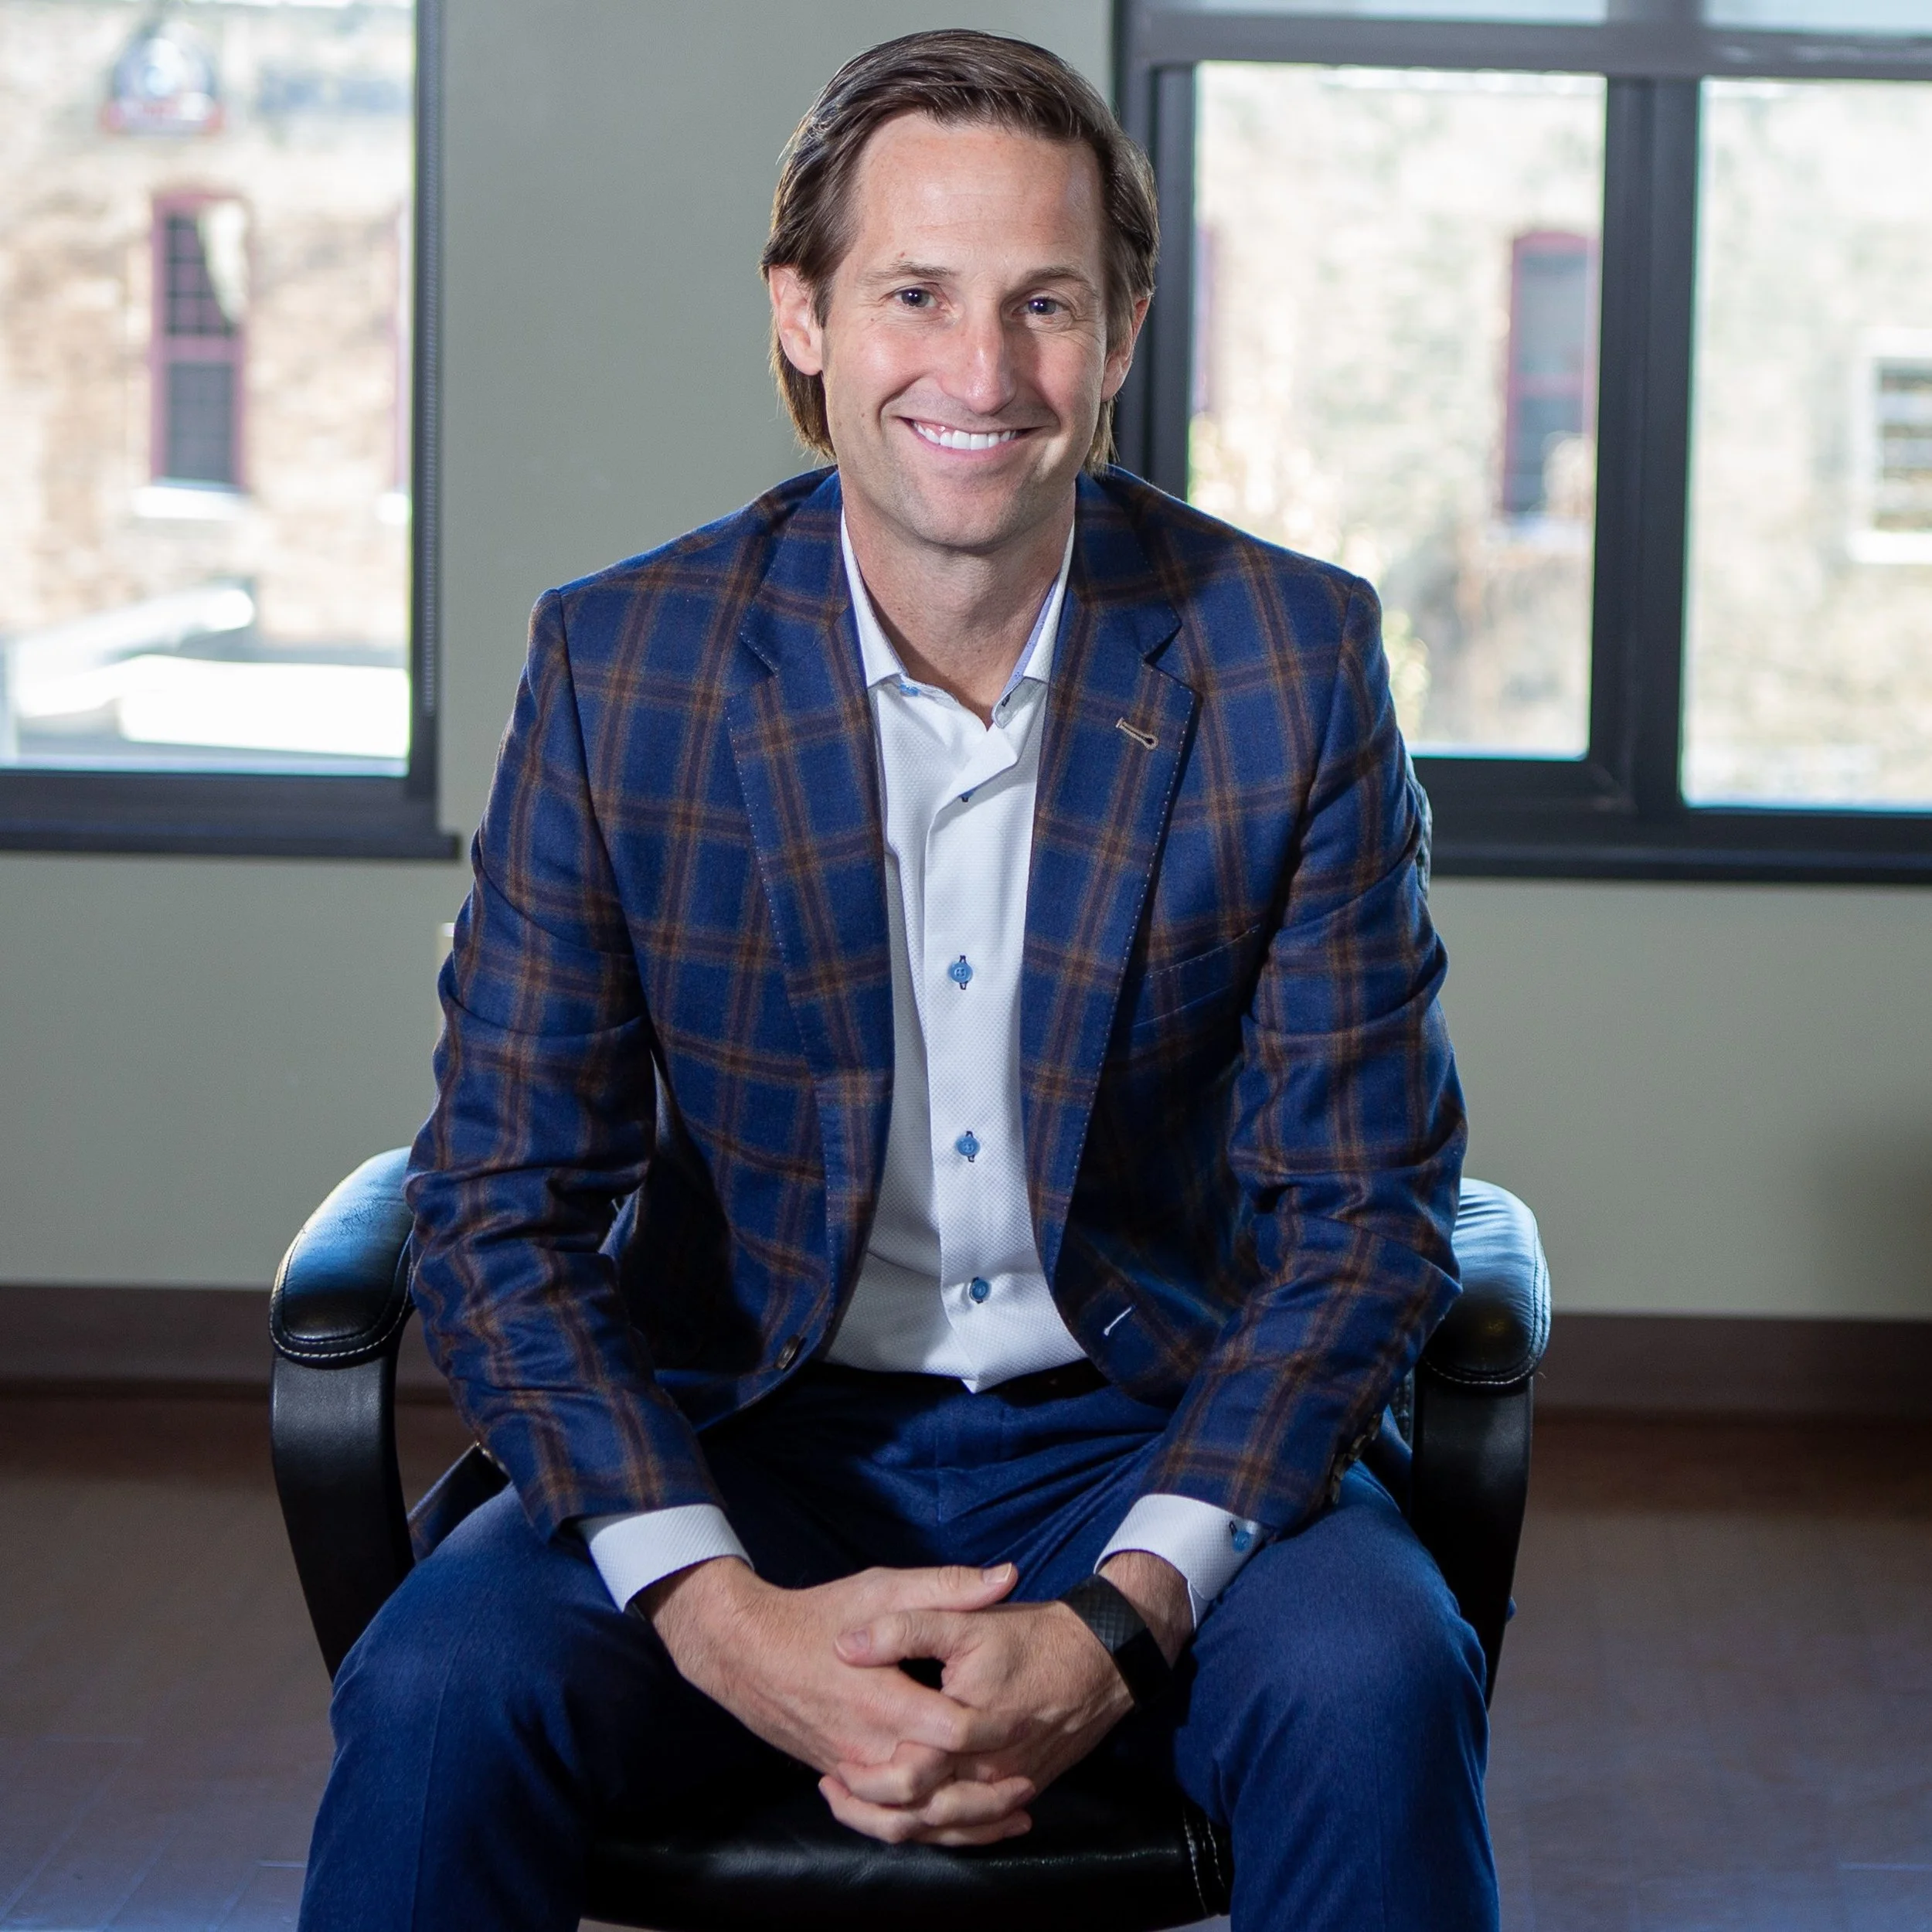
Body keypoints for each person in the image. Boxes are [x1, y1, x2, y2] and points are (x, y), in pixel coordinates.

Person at [298, 29, 1495, 1932]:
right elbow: (501, 1207)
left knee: (1372, 1674)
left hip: (1145, 1422)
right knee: (444, 1690)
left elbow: (1362, 1215)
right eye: (913, 295)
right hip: (743, 1431)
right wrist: (719, 1611)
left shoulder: (1288, 659)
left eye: (1044, 303)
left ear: (1116, 333)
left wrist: (1121, 1610)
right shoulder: (628, 671)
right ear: (803, 318)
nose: (980, 369)